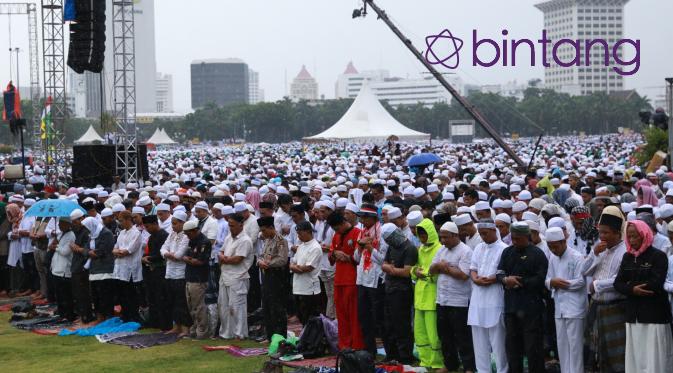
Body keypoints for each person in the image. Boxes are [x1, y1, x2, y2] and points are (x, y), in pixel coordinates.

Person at [614, 220, 673, 372]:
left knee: (655, 360)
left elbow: (655, 283)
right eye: (629, 237)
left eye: (635, 236)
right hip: (634, 315)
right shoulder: (628, 257)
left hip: (654, 316)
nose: (632, 241)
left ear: (644, 235)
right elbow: (617, 283)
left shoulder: (658, 256)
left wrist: (629, 286)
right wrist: (632, 289)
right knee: (637, 360)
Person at [496, 221, 548, 373]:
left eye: (518, 238)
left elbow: (540, 279)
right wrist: (506, 280)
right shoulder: (507, 252)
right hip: (511, 307)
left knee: (533, 347)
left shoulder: (537, 254)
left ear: (528, 237)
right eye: (513, 238)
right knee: (512, 346)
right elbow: (499, 273)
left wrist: (519, 282)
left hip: (531, 308)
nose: (515, 241)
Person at [582, 205, 628, 373]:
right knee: (596, 353)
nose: (602, 236)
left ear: (617, 233)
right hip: (596, 307)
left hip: (615, 309)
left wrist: (596, 285)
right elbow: (583, 271)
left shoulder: (625, 251)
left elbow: (620, 279)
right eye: (600, 232)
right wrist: (594, 254)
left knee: (616, 355)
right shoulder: (600, 248)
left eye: (606, 233)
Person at [430, 221, 475, 373]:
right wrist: (443, 267)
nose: (443, 241)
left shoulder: (465, 251)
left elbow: (463, 275)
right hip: (442, 300)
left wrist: (444, 267)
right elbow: (431, 269)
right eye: (441, 237)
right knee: (445, 336)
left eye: (446, 237)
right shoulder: (441, 250)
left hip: (459, 301)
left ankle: (469, 366)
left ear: (455, 235)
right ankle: (450, 364)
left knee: (463, 337)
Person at [468, 218, 508, 373]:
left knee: (498, 341)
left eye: (485, 233)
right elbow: (473, 268)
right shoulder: (478, 248)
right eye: (481, 234)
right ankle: (482, 370)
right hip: (478, 297)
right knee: (479, 341)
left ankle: (502, 370)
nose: (483, 236)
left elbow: (504, 272)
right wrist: (475, 278)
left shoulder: (504, 248)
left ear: (493, 230)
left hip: (495, 297)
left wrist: (491, 279)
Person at [545, 227, 587, 373]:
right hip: (559, 307)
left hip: (575, 308)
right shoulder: (552, 257)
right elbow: (548, 279)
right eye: (550, 247)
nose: (553, 250)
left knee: (575, 347)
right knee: (562, 344)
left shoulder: (577, 256)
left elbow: (581, 281)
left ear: (563, 242)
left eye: (555, 247)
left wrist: (562, 284)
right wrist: (552, 283)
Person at [327, 212, 365, 351]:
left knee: (353, 315)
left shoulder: (358, 233)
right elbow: (331, 256)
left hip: (352, 280)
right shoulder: (336, 235)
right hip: (339, 280)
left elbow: (359, 258)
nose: (336, 232)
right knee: (341, 315)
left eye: (337, 228)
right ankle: (344, 345)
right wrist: (334, 254)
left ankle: (357, 345)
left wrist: (347, 257)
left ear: (344, 223)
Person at [381, 222, 417, 364]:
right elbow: (384, 264)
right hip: (389, 289)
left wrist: (391, 269)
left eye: (390, 239)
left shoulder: (410, 248)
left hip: (402, 292)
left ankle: (405, 356)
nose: (389, 242)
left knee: (402, 325)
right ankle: (392, 354)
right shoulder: (392, 247)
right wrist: (392, 269)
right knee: (388, 324)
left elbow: (407, 272)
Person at [410, 218, 443, 370]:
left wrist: (426, 275)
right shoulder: (420, 249)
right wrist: (415, 272)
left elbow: (439, 273)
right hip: (419, 297)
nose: (422, 238)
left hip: (432, 296)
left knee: (433, 333)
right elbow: (414, 268)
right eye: (420, 235)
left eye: (424, 234)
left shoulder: (439, 249)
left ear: (430, 233)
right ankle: (425, 361)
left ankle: (436, 362)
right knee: (420, 332)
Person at [353, 203, 385, 356]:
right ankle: (369, 350)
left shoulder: (382, 232)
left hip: (376, 279)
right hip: (362, 279)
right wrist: (360, 247)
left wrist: (370, 247)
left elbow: (382, 260)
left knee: (378, 317)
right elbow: (356, 258)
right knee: (363, 316)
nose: (363, 220)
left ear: (373, 217)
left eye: (365, 217)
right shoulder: (362, 233)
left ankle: (387, 350)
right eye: (361, 217)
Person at [218, 213, 254, 339]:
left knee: (237, 308)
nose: (230, 228)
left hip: (238, 277)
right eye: (229, 225)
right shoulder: (229, 237)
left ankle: (240, 334)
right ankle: (227, 333)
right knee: (224, 307)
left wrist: (224, 259)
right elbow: (221, 251)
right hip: (225, 275)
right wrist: (223, 257)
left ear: (241, 225)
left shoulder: (245, 240)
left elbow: (238, 259)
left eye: (232, 226)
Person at [257, 216, 289, 341]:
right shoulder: (267, 240)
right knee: (267, 306)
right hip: (266, 276)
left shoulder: (281, 240)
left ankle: (280, 336)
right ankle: (270, 336)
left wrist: (267, 264)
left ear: (271, 228)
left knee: (277, 308)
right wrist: (260, 261)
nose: (262, 233)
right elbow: (261, 255)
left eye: (264, 230)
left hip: (277, 277)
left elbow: (282, 259)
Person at [161, 210, 191, 336]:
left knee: (181, 301)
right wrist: (168, 254)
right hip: (169, 272)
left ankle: (185, 328)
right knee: (172, 300)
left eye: (175, 223)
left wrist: (169, 254)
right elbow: (162, 248)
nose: (173, 226)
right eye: (172, 223)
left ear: (183, 223)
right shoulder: (172, 234)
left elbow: (179, 254)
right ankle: (176, 326)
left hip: (180, 273)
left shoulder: (186, 236)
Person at [183, 219, 212, 339]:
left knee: (199, 306)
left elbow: (199, 261)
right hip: (190, 276)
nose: (187, 236)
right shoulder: (192, 241)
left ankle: (202, 331)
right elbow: (186, 257)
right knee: (191, 306)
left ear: (194, 231)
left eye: (188, 233)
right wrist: (189, 259)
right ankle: (195, 328)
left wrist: (188, 259)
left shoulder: (204, 242)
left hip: (199, 278)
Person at [112, 210, 143, 322]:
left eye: (121, 221)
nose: (120, 223)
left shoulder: (136, 233)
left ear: (128, 220)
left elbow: (128, 250)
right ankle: (125, 316)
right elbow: (114, 248)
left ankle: (133, 317)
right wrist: (118, 252)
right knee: (122, 295)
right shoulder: (121, 233)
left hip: (130, 269)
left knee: (130, 295)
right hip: (120, 268)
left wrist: (119, 252)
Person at [83, 216, 116, 321]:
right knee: (96, 294)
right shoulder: (91, 235)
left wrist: (94, 253)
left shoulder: (106, 233)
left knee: (105, 294)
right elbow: (86, 249)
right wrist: (90, 252)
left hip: (105, 268)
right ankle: (99, 316)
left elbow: (105, 250)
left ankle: (107, 316)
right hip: (94, 268)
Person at [141, 215, 171, 330]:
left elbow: (161, 254)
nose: (147, 229)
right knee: (152, 298)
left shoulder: (163, 236)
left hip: (161, 271)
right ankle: (154, 322)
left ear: (155, 224)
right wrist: (144, 258)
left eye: (148, 226)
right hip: (151, 271)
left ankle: (165, 324)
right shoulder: (152, 237)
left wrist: (148, 259)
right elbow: (148, 251)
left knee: (161, 298)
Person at [290, 221, 322, 326]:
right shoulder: (301, 246)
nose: (298, 237)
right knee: (301, 316)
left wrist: (296, 267)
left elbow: (308, 268)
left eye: (300, 233)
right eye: (297, 234)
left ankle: (311, 341)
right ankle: (305, 339)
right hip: (298, 286)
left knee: (309, 318)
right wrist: (296, 267)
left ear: (308, 232)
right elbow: (293, 263)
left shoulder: (315, 247)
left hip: (309, 288)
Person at [69, 209, 94, 323]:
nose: (74, 224)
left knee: (84, 293)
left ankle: (86, 316)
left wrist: (77, 248)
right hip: (76, 264)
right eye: (73, 222)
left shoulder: (87, 231)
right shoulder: (77, 231)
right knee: (77, 292)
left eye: (75, 221)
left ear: (81, 219)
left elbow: (87, 250)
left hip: (83, 266)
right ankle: (82, 314)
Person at [49, 217, 76, 321]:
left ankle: (69, 315)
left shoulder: (71, 235)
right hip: (56, 267)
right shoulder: (60, 234)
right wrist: (54, 243)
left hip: (64, 269)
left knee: (66, 294)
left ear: (67, 224)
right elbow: (52, 247)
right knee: (59, 294)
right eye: (59, 223)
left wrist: (56, 247)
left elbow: (65, 252)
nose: (59, 225)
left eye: (61, 223)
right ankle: (61, 313)